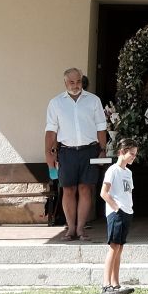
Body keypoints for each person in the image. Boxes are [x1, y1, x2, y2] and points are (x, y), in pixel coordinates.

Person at [44, 66, 109, 243]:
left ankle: (81, 228)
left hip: (90, 150)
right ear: (65, 83)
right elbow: (51, 130)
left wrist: (103, 150)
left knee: (86, 188)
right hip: (66, 151)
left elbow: (101, 127)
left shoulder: (93, 101)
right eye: (71, 82)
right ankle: (70, 228)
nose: (75, 85)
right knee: (68, 189)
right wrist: (49, 153)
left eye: (78, 81)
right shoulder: (56, 103)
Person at [100, 139, 138, 294]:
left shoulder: (128, 172)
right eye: (131, 154)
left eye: (135, 154)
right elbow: (104, 193)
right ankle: (106, 284)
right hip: (116, 213)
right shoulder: (113, 170)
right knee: (114, 246)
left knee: (120, 247)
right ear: (122, 152)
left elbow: (128, 192)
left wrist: (127, 209)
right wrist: (116, 208)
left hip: (127, 212)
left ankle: (115, 283)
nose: (133, 157)